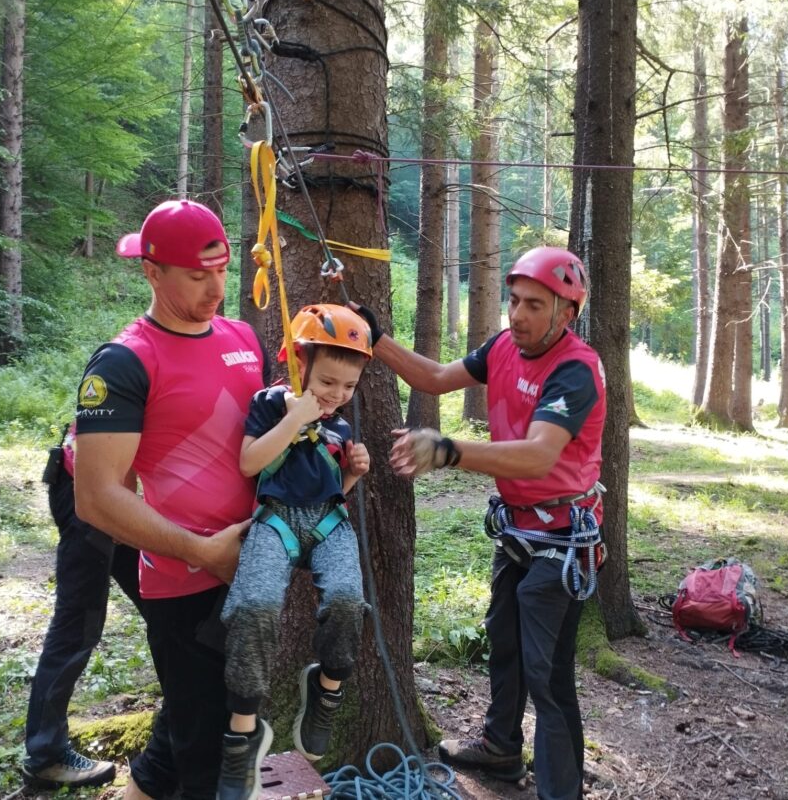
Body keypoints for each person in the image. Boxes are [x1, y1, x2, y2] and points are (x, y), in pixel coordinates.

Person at [357, 247, 605, 800]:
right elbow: (438, 377)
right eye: (513, 301)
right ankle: (500, 748)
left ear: (566, 314)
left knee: (549, 674)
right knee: (504, 642)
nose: (517, 314)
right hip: (519, 530)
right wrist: (374, 340)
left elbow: (540, 455)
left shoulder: (576, 369)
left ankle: (559, 792)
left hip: (564, 538)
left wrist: (448, 450)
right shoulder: (504, 346)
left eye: (534, 305)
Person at [72, 199, 269, 800]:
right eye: (196, 275)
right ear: (152, 272)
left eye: (221, 272)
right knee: (211, 752)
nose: (215, 288)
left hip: (248, 569)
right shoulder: (125, 362)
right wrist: (202, 551)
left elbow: (261, 443)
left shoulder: (241, 337)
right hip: (185, 581)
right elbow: (97, 498)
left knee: (190, 722)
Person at [216, 304, 372, 800]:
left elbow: (332, 492)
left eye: (348, 387)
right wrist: (294, 417)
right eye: (328, 382)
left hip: (328, 522)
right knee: (254, 606)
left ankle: (326, 690)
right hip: (276, 519)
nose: (337, 397)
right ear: (298, 363)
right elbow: (248, 462)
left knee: (349, 600)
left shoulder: (340, 426)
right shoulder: (270, 403)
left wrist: (353, 473)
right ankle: (243, 733)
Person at [20, 424, 148, 789]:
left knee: (169, 609)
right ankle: (46, 757)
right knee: (79, 624)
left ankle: (187, 714)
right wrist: (126, 519)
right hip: (92, 496)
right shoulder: (134, 368)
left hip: (119, 497)